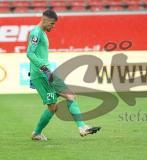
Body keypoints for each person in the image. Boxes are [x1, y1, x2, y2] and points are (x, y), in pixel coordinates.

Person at [27, 9, 100, 141]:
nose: (53, 27)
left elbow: (36, 54)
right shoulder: (36, 33)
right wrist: (43, 68)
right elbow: (30, 53)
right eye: (52, 24)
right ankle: (80, 127)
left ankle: (38, 133)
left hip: (44, 73)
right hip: (42, 74)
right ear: (45, 20)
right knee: (62, 100)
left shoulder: (41, 32)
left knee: (60, 102)